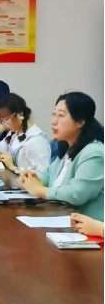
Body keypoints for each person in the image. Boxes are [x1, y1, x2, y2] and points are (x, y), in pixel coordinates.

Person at [18, 92, 104, 220]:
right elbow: (47, 175)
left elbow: (76, 194)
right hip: (60, 217)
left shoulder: (94, 153)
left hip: (86, 226)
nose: (53, 121)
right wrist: (30, 179)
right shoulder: (66, 147)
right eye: (54, 114)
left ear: (80, 122)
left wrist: (38, 190)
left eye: (61, 116)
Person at [0, 93, 51, 174]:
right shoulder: (15, 134)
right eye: (2, 121)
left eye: (6, 119)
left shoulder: (36, 140)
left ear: (20, 113)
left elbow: (42, 175)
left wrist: (14, 168)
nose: (5, 124)